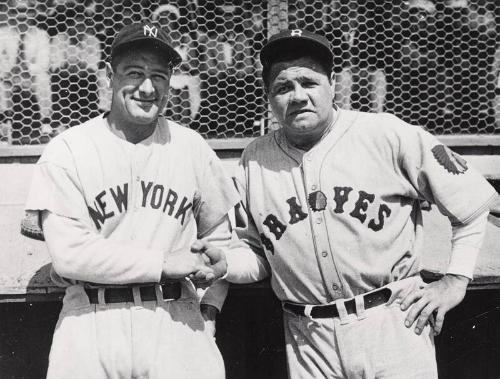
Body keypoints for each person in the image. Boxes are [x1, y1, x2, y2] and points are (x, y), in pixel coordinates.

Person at [223, 29, 498, 378]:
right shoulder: (254, 159)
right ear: (268, 96)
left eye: (309, 82)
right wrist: (222, 264)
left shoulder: (385, 134)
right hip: (308, 339)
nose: (298, 96)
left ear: (332, 83)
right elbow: (258, 257)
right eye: (283, 87)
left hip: (393, 322)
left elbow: (471, 203)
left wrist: (455, 280)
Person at [20, 22, 238, 379]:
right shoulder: (70, 149)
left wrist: (211, 305)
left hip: (175, 318)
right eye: (134, 73)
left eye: (159, 75)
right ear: (109, 75)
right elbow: (70, 254)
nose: (148, 87)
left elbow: (221, 238)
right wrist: (164, 262)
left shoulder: (191, 147)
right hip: (90, 321)